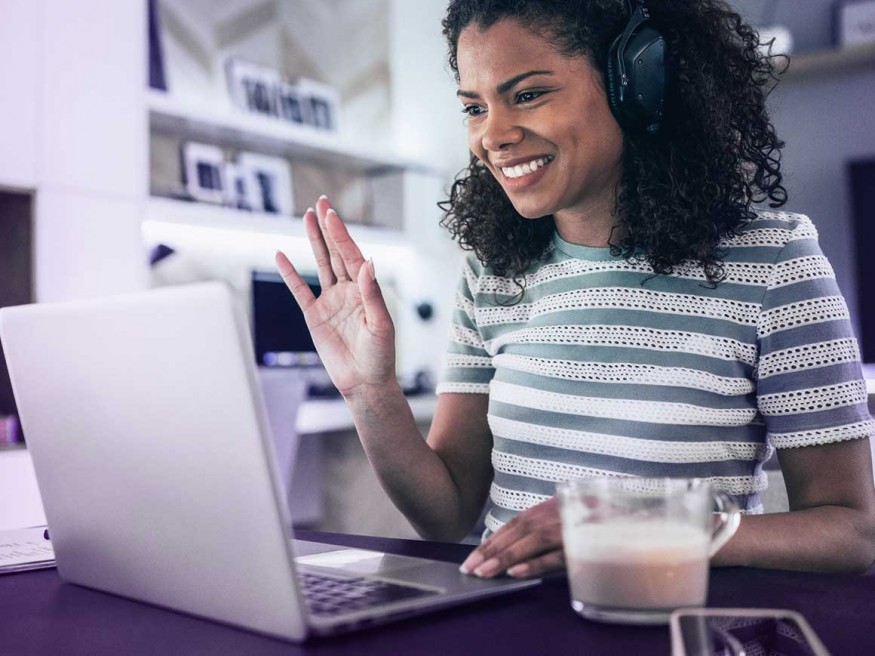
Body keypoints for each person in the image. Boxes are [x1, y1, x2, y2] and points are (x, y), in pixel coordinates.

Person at [275, 0, 875, 578]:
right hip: (504, 621)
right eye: (474, 108)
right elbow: (445, 516)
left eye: (528, 95)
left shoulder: (772, 262)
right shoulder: (493, 273)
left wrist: (641, 529)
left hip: (663, 622)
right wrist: (370, 393)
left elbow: (851, 532)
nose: (493, 136)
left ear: (637, 86)